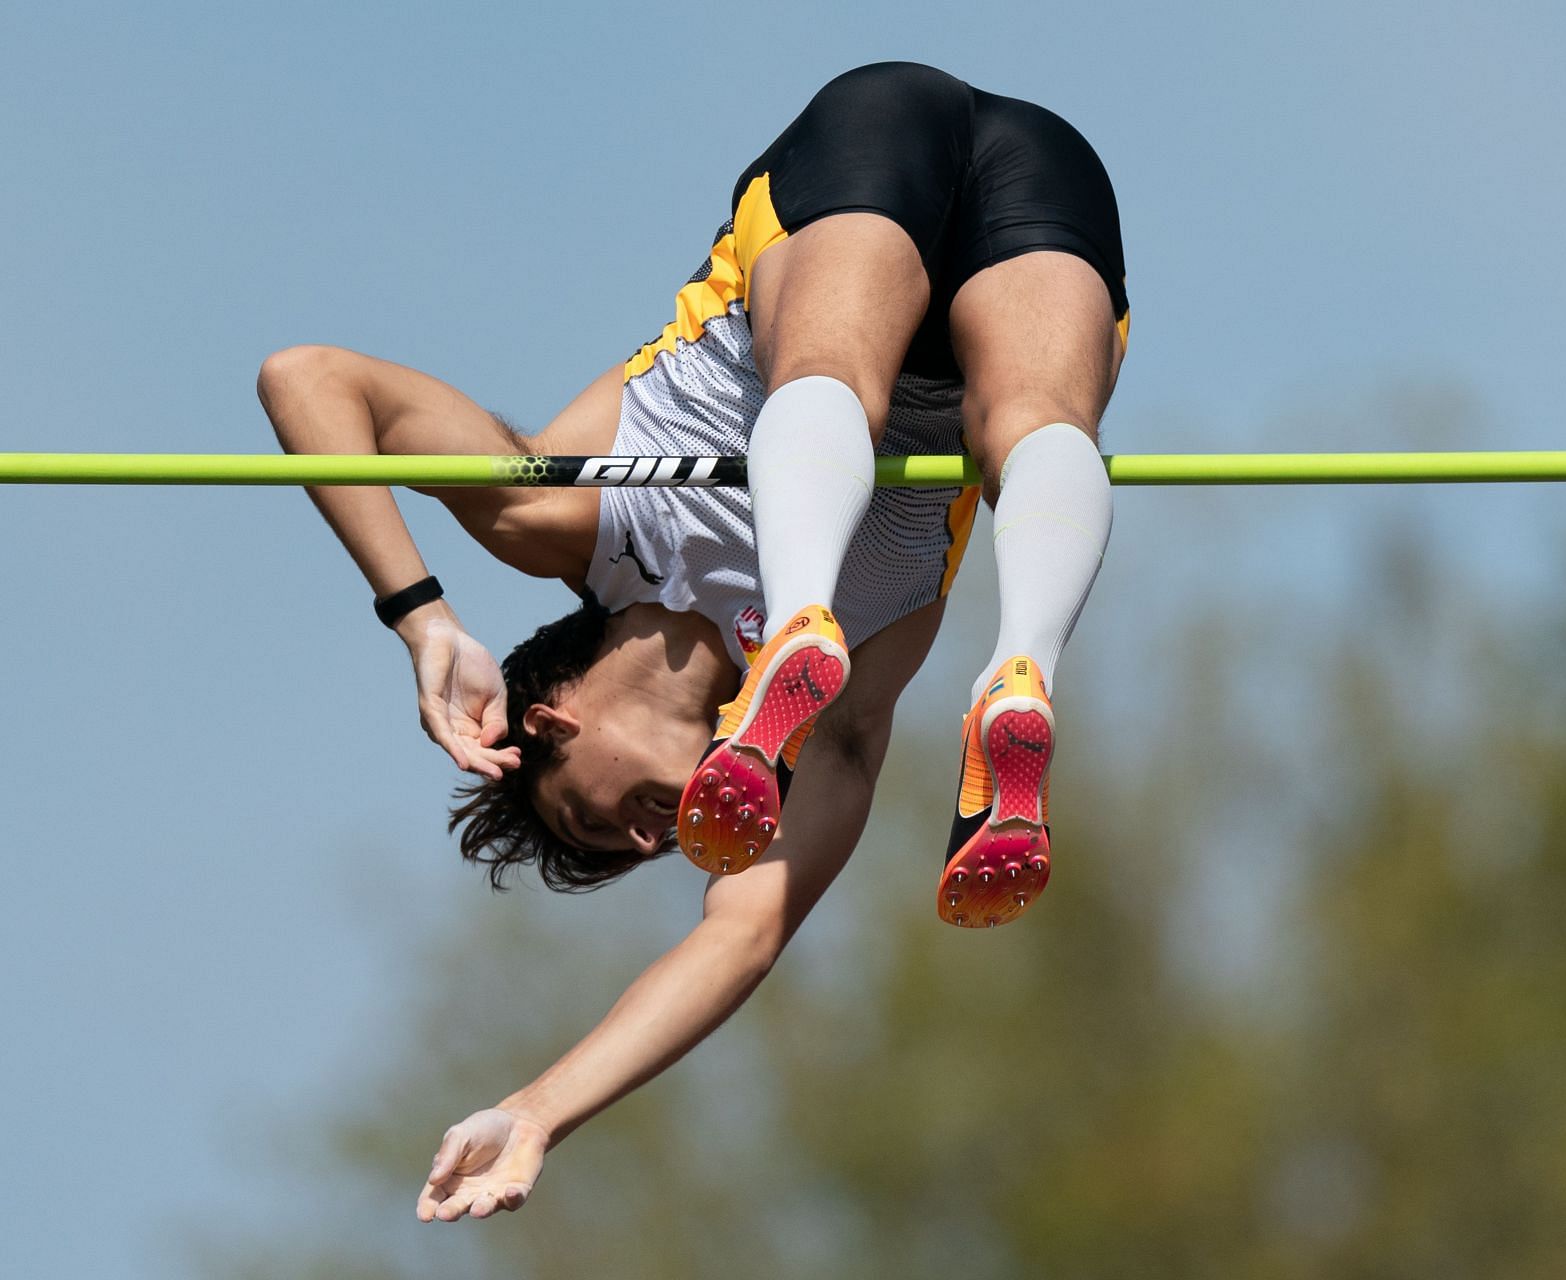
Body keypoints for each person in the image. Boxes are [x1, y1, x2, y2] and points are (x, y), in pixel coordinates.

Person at [258, 61, 1127, 1223]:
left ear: (548, 715)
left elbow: (309, 381)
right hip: (1043, 180)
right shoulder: (841, 728)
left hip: (864, 157)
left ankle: (810, 606)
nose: (647, 836)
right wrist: (540, 1108)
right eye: (637, 850)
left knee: (827, 374)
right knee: (1034, 424)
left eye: (591, 814)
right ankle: (1026, 664)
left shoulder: (571, 518)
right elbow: (743, 932)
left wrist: (422, 616)